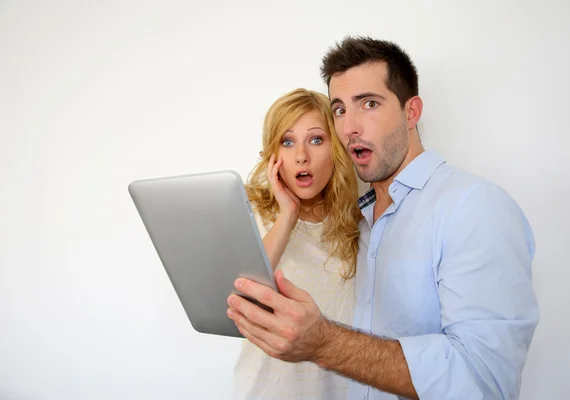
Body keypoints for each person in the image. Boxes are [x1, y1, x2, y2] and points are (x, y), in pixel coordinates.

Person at [226, 36, 540, 400]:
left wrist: (324, 343)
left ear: (412, 112)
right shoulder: (362, 219)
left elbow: (487, 381)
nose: (349, 128)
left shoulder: (474, 207)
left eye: (369, 104)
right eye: (340, 110)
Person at [232, 88, 363, 399]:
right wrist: (288, 215)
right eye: (287, 142)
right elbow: (239, 292)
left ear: (336, 149)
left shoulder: (357, 222)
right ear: (273, 154)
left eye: (316, 140)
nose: (301, 155)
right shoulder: (251, 212)